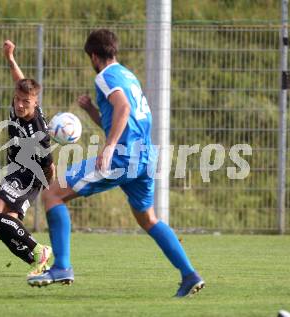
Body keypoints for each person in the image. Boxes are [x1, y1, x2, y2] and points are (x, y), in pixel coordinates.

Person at [27, 29, 205, 297]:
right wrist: (91, 112)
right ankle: (190, 275)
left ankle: (62, 266)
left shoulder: (105, 76)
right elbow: (121, 119)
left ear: (94, 56)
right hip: (144, 156)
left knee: (53, 194)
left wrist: (109, 148)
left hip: (124, 155)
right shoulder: (127, 75)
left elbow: (123, 109)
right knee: (149, 219)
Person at [0, 40, 55, 277]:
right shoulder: (20, 100)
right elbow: (19, 81)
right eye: (17, 99)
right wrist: (10, 57)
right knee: (2, 228)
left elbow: (49, 166)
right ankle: (41, 264)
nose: (20, 105)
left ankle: (39, 250)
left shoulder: (39, 132)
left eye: (26, 102)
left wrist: (45, 187)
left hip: (28, 176)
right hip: (15, 172)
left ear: (35, 102)